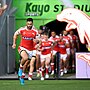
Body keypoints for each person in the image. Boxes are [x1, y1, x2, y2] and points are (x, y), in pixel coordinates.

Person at [12, 18, 38, 85]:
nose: (29, 25)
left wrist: (37, 41)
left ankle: (22, 77)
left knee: (26, 64)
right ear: (26, 23)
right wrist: (14, 43)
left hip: (31, 50)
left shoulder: (35, 31)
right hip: (22, 47)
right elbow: (15, 34)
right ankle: (20, 68)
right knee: (25, 58)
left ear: (32, 23)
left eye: (31, 24)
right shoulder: (22, 29)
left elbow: (38, 39)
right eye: (28, 24)